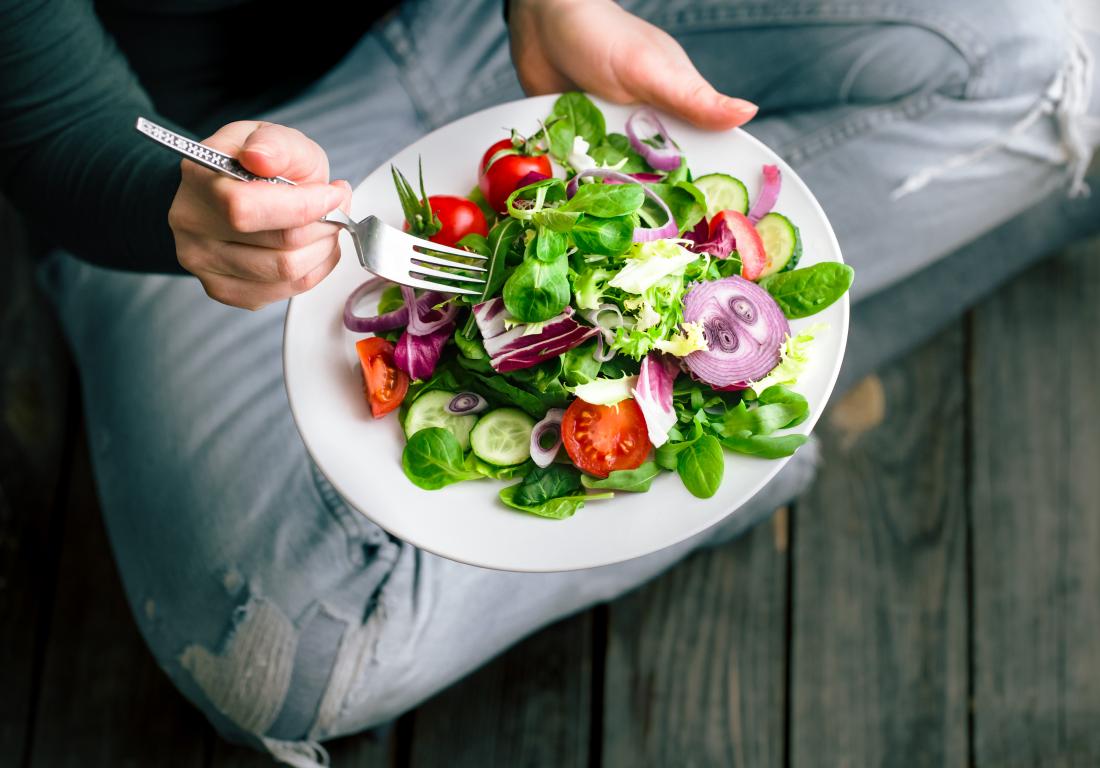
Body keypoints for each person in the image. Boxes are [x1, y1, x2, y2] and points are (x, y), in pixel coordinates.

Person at [3, 0, 1098, 764]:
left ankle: (750, 392)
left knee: (1030, 43)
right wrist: (174, 200)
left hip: (488, 29)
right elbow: (47, 120)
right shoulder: (180, 180)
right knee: (284, 662)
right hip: (198, 167)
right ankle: (790, 380)